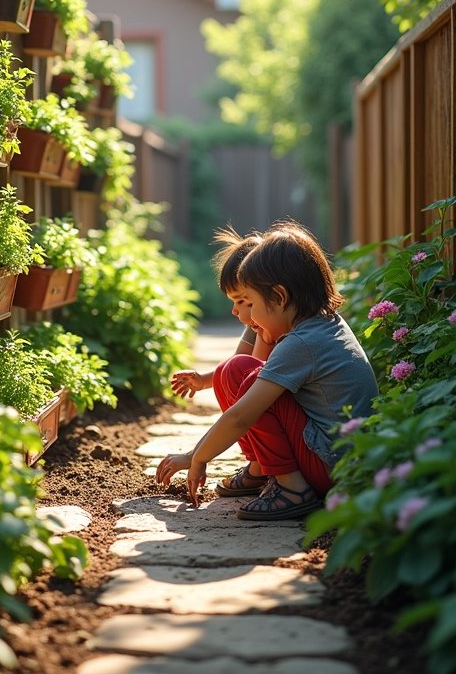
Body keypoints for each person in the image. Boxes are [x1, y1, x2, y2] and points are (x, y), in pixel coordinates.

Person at [156, 220, 379, 520]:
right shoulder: (321, 324)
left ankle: (293, 489)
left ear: (280, 297)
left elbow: (241, 415)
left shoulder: (302, 343)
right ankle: (264, 470)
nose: (248, 316)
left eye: (251, 302)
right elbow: (242, 371)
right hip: (335, 457)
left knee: (252, 383)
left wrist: (197, 457)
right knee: (237, 369)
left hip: (332, 467)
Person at [169, 225, 275, 498]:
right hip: (269, 405)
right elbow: (238, 366)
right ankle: (258, 463)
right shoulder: (256, 326)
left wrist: (197, 455)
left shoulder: (275, 330)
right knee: (231, 374)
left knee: (240, 382)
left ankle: (263, 466)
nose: (235, 310)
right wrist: (204, 380)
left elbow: (250, 387)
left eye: (243, 301)